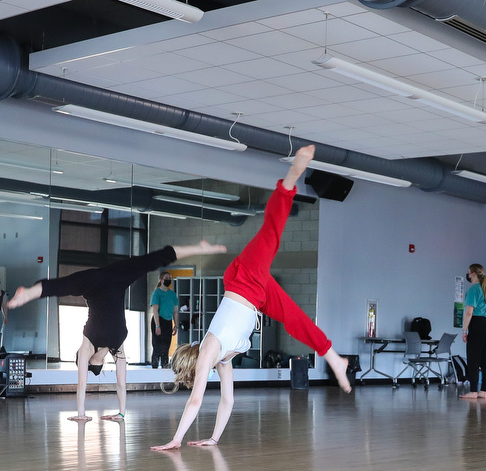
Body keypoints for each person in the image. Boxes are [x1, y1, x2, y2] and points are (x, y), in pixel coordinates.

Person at [151, 146, 352, 452]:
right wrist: (214, 438)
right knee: (295, 319)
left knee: (271, 233)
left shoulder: (210, 351)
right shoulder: (222, 360)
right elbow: (227, 400)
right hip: (257, 295)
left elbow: (196, 400)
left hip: (243, 277)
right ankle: (335, 358)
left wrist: (176, 440)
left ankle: (291, 178)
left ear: (195, 365)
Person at [7, 241, 226, 422]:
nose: (98, 365)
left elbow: (81, 384)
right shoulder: (117, 348)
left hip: (94, 284)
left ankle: (200, 247)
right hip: (116, 280)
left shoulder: (86, 346)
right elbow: (121, 384)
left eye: (96, 366)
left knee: (69, 284)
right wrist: (121, 413)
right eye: (99, 366)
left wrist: (81, 414)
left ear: (92, 361)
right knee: (149, 262)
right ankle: (29, 293)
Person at [460, 263, 486, 399]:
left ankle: (473, 390)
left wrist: (464, 330)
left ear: (473, 274)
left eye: (468, 273)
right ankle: (483, 390)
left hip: (477, 324)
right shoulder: (485, 289)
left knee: (473, 358)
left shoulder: (473, 289)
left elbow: (469, 311)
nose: (468, 275)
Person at [150, 270, 178, 368]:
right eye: (166, 278)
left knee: (166, 345)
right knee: (157, 345)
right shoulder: (156, 293)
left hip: (168, 321)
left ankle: (164, 365)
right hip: (158, 320)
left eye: (170, 278)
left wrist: (176, 326)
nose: (168, 280)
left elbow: (175, 311)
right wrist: (157, 325)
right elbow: (155, 311)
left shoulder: (172, 294)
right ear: (161, 280)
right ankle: (154, 366)